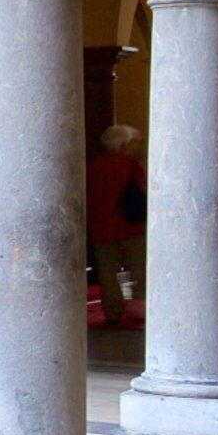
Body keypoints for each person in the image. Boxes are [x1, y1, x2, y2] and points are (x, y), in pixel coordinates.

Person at [85, 122, 145, 324]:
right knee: (139, 270)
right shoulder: (131, 165)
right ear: (124, 144)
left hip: (100, 227)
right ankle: (139, 308)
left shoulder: (92, 167)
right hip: (131, 226)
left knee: (107, 274)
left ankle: (113, 312)